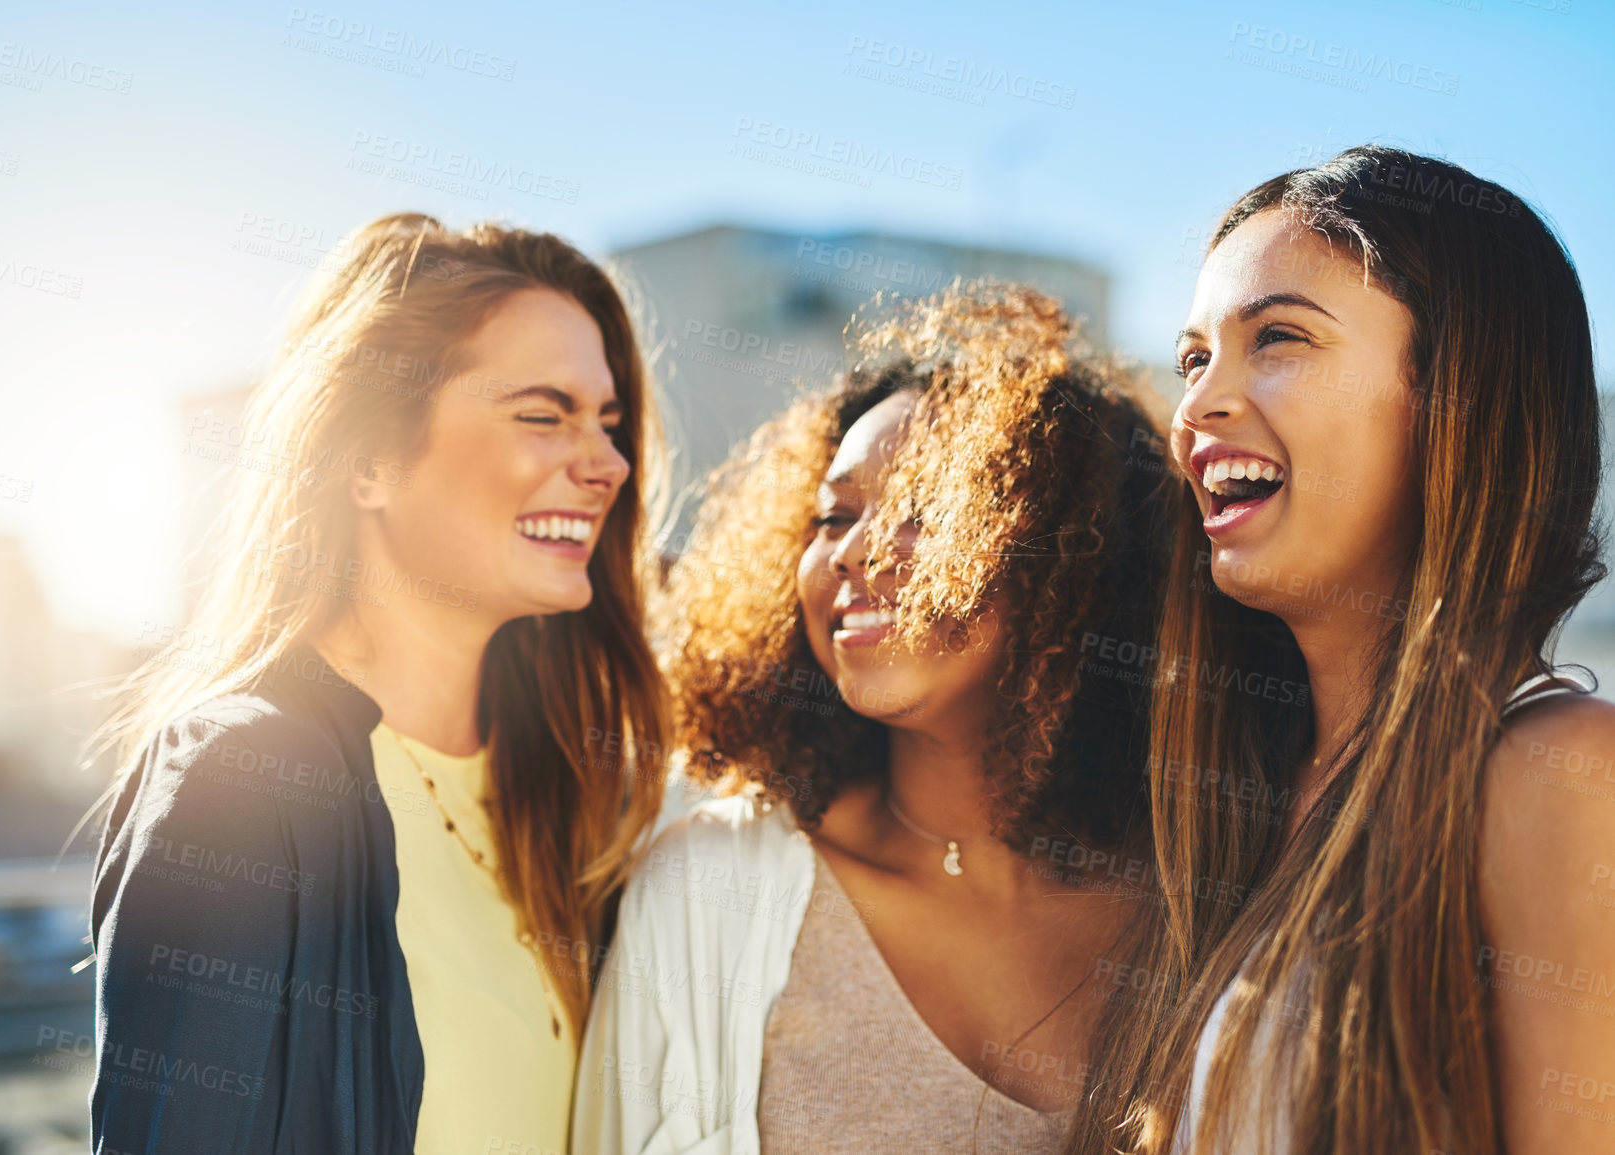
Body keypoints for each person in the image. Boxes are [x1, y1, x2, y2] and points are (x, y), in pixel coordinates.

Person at [85, 212, 668, 1154]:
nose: (607, 463)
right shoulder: (242, 781)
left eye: (606, 420)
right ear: (369, 461)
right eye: (541, 413)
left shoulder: (578, 798)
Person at [1071, 146, 1613, 1155]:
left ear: (1459, 393)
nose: (1194, 410)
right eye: (1193, 359)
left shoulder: (1564, 769)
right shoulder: (1238, 799)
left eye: (1276, 338)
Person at [573, 283, 1174, 1153]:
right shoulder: (711, 888)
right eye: (834, 515)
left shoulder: (1198, 894)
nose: (853, 550)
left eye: (923, 509)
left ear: (1076, 556)